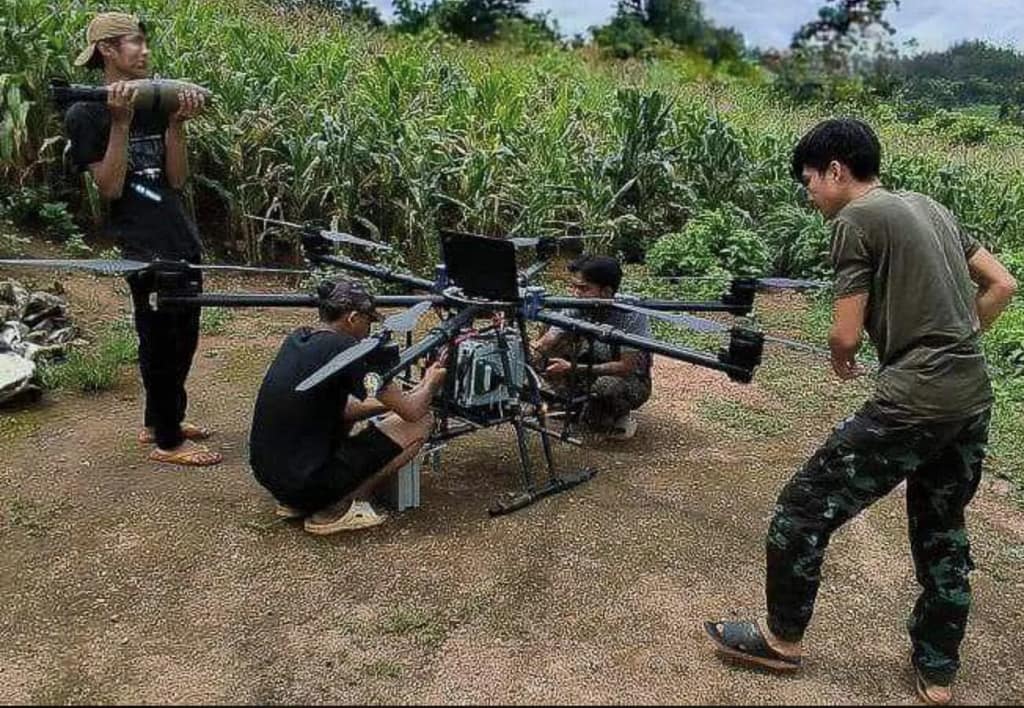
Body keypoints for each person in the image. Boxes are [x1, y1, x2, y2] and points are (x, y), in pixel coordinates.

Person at [704, 119, 1018, 705]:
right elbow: (1002, 284)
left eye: (809, 182)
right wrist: (953, 339)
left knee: (800, 511)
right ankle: (937, 670)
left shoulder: (855, 219)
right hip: (971, 397)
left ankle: (780, 641)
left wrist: (843, 355)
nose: (810, 195)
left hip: (911, 403)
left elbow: (845, 334)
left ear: (836, 171)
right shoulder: (929, 206)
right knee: (941, 525)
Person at [64, 12, 220, 466]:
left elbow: (175, 179)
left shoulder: (155, 101)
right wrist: (119, 124)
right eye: (134, 43)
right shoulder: (86, 113)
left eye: (144, 42)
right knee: (162, 339)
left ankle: (160, 420)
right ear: (108, 51)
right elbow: (110, 187)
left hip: (178, 235)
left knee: (181, 337)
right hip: (143, 246)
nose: (145, 51)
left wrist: (176, 125)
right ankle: (169, 444)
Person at [249, 278, 446, 536]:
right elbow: (413, 412)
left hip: (272, 478)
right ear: (353, 318)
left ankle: (297, 503)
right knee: (421, 424)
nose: (369, 329)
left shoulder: (300, 338)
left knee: (348, 411)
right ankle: (336, 507)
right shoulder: (349, 351)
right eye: (368, 321)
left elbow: (344, 408)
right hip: (308, 485)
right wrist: (431, 382)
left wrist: (401, 397)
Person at [532, 255, 652, 440]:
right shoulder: (577, 305)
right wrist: (529, 356)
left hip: (626, 379)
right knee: (547, 336)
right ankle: (574, 403)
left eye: (583, 288)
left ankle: (617, 414)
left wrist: (572, 368)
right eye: (573, 287)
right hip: (587, 367)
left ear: (606, 291)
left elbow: (626, 367)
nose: (575, 293)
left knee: (605, 391)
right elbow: (549, 339)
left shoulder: (631, 314)